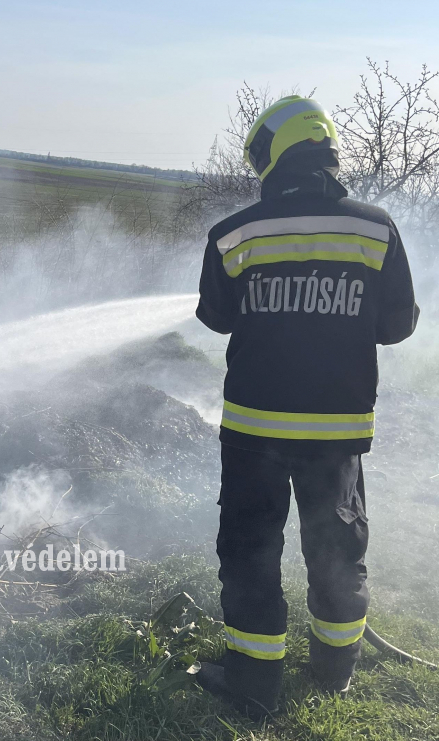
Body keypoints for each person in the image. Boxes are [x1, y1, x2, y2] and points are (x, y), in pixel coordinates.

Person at [193, 95, 419, 718]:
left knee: (250, 551)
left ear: (272, 153)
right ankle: (333, 673)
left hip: (253, 432)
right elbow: (398, 326)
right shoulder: (377, 228)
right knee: (337, 550)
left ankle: (254, 682)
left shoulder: (234, 233)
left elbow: (215, 318)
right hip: (337, 435)